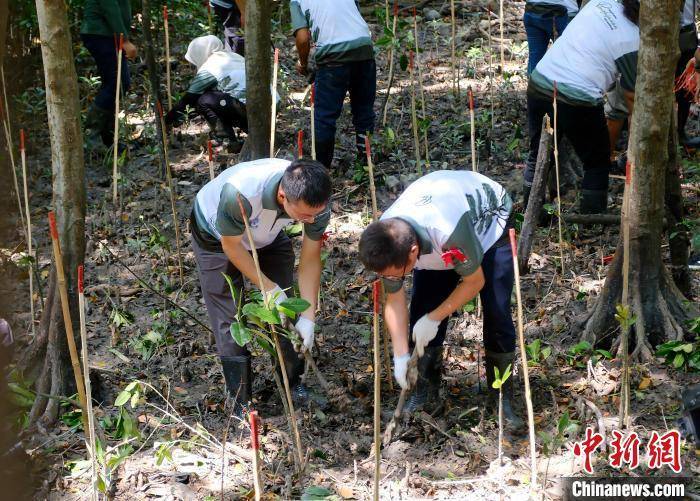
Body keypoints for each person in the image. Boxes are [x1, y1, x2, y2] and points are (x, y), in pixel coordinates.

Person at [358, 170, 524, 431]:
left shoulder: (446, 231)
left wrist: (435, 318)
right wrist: (401, 355)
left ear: (413, 253)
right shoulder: (388, 237)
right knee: (422, 307)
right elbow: (394, 298)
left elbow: (475, 282)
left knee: (496, 311)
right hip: (440, 239)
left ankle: (501, 397)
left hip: (490, 224)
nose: (391, 279)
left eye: (394, 273)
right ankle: (424, 394)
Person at [190, 158, 332, 414]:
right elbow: (231, 246)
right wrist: (267, 287)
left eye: (315, 214)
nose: (311, 220)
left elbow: (310, 259)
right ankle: (240, 402)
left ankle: (293, 385)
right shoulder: (241, 194)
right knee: (230, 312)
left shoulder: (315, 202)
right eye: (304, 215)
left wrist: (309, 317)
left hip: (266, 233)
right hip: (216, 236)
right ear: (282, 196)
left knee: (285, 303)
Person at [524, 0, 640, 214]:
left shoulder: (601, 3)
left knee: (539, 154)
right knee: (597, 160)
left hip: (540, 82)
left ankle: (530, 211)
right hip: (577, 97)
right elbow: (632, 94)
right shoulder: (632, 38)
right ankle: (592, 216)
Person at [607, 0, 700, 162]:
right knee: (643, 87)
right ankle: (630, 142)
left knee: (683, 86)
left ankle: (678, 133)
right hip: (653, 32)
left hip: (685, 34)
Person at [290, 0, 376, 169]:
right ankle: (366, 164)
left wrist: (303, 62)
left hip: (333, 59)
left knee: (325, 117)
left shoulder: (296, 1)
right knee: (364, 111)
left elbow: (302, 38)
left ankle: (322, 169)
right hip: (364, 50)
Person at [165, 36, 247, 144]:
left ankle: (225, 138)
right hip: (267, 104)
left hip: (244, 106)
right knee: (219, 100)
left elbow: (189, 99)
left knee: (203, 100)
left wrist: (166, 120)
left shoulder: (209, 67)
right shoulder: (234, 56)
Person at [80, 0, 137, 150]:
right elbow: (109, 6)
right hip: (101, 34)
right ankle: (92, 135)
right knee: (118, 83)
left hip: (106, 34)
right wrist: (124, 40)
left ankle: (107, 138)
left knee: (115, 84)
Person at [523, 0, 579, 74]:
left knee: (535, 57)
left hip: (532, 9)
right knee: (564, 60)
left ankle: (532, 84)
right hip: (562, 12)